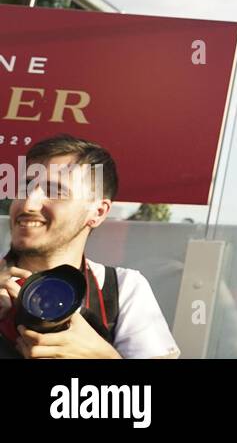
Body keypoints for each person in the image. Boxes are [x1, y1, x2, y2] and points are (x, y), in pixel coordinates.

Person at [0, 134, 182, 359]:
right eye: (25, 188)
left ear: (98, 212)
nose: (29, 203)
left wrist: (103, 356)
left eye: (55, 191)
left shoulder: (122, 289)